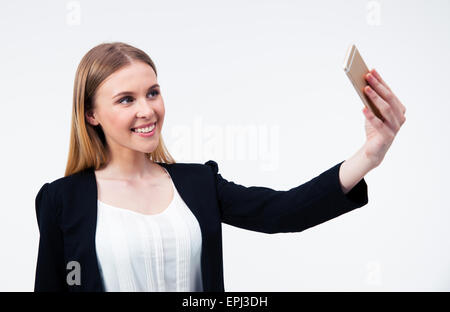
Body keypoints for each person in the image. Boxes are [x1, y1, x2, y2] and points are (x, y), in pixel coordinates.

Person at [34, 42, 406, 292]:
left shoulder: (198, 183)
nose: (147, 110)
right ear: (91, 114)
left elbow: (284, 212)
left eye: (152, 92)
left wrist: (369, 155)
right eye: (126, 99)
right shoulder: (61, 200)